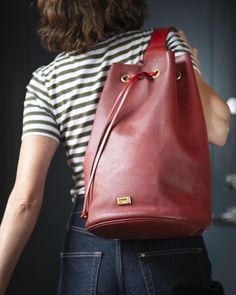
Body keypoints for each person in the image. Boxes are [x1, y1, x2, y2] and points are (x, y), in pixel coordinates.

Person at [0, 1, 230, 294]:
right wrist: (188, 56)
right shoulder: (162, 44)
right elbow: (219, 128)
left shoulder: (46, 80)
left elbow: (24, 200)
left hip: (89, 236)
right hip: (163, 225)